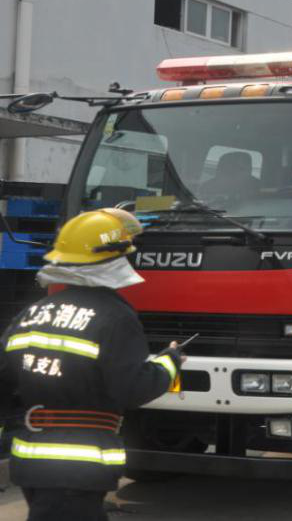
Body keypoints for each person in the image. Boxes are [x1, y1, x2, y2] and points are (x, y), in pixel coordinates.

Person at [0, 209, 185, 521]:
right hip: (79, 465)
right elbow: (133, 388)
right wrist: (170, 362)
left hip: (30, 460)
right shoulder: (115, 318)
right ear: (116, 261)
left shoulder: (34, 313)